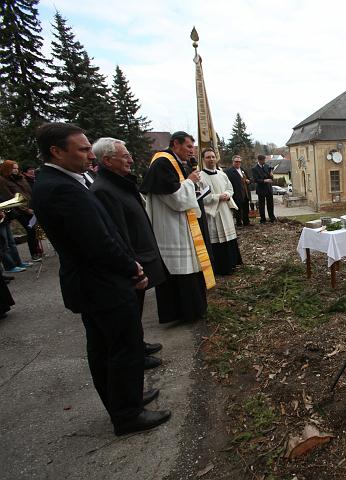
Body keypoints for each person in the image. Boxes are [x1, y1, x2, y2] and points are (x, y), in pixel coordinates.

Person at [32, 122, 170, 436]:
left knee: (105, 347)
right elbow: (97, 241)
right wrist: (131, 268)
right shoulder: (60, 188)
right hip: (101, 283)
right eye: (81, 149)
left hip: (95, 282)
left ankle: (124, 399)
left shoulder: (63, 181)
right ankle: (127, 414)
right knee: (121, 349)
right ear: (56, 151)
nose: (88, 155)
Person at [90, 137, 166, 369]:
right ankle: (136, 355)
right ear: (107, 160)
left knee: (137, 310)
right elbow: (119, 234)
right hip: (133, 262)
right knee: (130, 313)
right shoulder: (104, 190)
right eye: (125, 156)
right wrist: (133, 266)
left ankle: (139, 344)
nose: (131, 160)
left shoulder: (119, 183)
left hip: (140, 256)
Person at [139, 131, 212, 324]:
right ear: (175, 144)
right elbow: (177, 200)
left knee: (189, 268)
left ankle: (194, 310)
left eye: (193, 147)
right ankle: (183, 313)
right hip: (171, 228)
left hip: (180, 224)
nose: (192, 151)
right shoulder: (163, 163)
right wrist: (190, 182)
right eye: (188, 146)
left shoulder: (173, 162)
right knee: (181, 269)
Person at [199, 149, 242, 275]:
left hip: (224, 210)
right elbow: (201, 197)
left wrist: (228, 194)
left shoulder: (222, 174)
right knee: (216, 240)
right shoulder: (200, 177)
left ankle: (232, 264)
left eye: (213, 157)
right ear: (203, 159)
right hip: (212, 212)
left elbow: (230, 188)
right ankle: (221, 268)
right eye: (208, 157)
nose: (211, 159)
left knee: (229, 237)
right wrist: (218, 197)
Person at [0, 160, 42, 261]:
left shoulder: (20, 178)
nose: (16, 170)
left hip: (30, 207)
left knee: (35, 230)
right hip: (19, 210)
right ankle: (34, 253)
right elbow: (9, 196)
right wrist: (26, 209)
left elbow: (28, 191)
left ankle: (38, 251)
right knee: (30, 230)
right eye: (13, 168)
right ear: (7, 169)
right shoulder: (3, 180)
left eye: (17, 168)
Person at [224, 155, 251, 227]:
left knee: (246, 208)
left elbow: (248, 179)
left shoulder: (243, 170)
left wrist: (249, 181)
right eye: (236, 161)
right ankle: (239, 223)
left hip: (245, 193)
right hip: (236, 193)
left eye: (239, 162)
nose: (238, 163)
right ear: (233, 162)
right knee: (238, 210)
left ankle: (246, 222)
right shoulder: (228, 171)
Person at [251, 154, 276, 223]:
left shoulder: (267, 166)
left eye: (264, 160)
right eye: (263, 160)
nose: (264, 161)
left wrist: (271, 175)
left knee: (270, 204)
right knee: (261, 205)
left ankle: (272, 218)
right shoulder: (254, 169)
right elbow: (255, 180)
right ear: (259, 160)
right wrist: (264, 180)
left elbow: (271, 178)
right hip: (261, 189)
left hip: (268, 188)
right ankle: (263, 219)